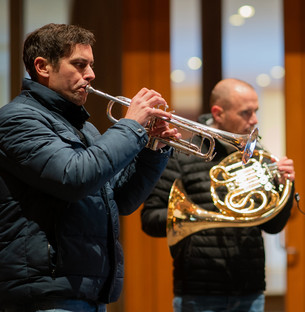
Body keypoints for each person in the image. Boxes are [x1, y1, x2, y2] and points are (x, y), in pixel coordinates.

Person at [0, 23, 179, 311]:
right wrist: (132, 125)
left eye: (91, 65)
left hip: (89, 292)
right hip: (46, 293)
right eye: (80, 64)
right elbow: (75, 178)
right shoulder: (17, 120)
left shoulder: (85, 129)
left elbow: (122, 200)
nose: (91, 75)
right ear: (43, 67)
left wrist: (152, 148)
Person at [141, 78, 295, 312]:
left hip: (250, 290)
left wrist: (285, 184)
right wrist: (205, 218)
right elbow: (150, 219)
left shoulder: (257, 155)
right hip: (199, 292)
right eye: (246, 112)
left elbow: (273, 226)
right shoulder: (183, 154)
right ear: (218, 113)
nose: (254, 120)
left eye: (256, 111)